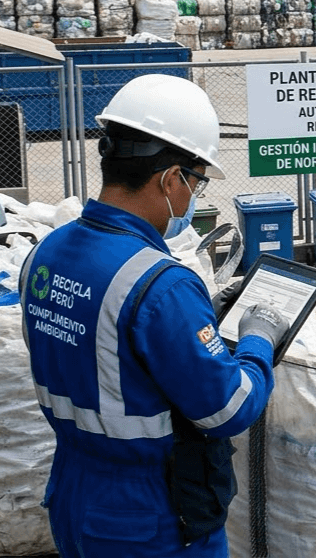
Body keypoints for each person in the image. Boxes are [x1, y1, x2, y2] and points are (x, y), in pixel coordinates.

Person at [20, 74, 289, 557]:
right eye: (197, 182)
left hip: (75, 491)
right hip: (149, 515)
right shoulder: (162, 285)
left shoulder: (46, 253)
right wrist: (257, 341)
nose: (194, 198)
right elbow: (228, 409)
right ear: (170, 180)